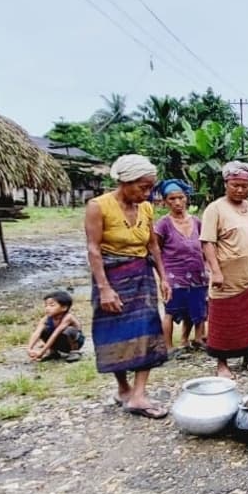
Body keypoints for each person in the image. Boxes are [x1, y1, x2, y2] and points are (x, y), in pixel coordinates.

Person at [85, 154, 170, 419]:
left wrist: (164, 277)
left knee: (148, 331)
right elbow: (93, 249)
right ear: (125, 182)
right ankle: (123, 388)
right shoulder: (98, 206)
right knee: (114, 334)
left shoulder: (145, 208)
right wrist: (104, 288)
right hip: (111, 277)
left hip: (141, 276)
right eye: (142, 187)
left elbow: (153, 246)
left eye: (150, 187)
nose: (147, 193)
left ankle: (139, 394)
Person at [201, 162, 248, 378]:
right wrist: (215, 271)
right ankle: (222, 364)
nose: (239, 190)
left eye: (244, 186)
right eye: (235, 185)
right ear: (226, 183)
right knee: (223, 318)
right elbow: (208, 242)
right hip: (226, 275)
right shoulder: (215, 209)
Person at [153, 179, 208, 356]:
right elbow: (155, 250)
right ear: (165, 201)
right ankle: (168, 347)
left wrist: (208, 267)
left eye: (180, 197)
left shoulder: (197, 222)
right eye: (172, 199)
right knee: (171, 310)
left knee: (198, 306)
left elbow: (205, 246)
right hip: (174, 275)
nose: (177, 202)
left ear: (186, 198)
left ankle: (197, 338)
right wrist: (163, 277)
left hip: (197, 272)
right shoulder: (163, 224)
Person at [27, 290, 84, 363]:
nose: (47, 308)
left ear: (64, 307)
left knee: (69, 330)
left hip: (74, 342)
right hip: (60, 342)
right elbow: (37, 333)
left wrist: (41, 352)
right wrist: (29, 348)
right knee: (44, 330)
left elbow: (55, 334)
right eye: (46, 305)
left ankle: (75, 352)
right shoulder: (46, 318)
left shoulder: (68, 317)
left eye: (52, 305)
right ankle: (53, 352)